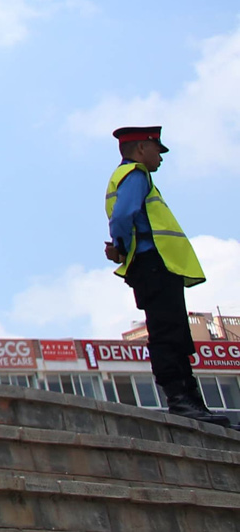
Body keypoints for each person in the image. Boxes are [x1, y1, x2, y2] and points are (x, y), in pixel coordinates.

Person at [105, 125, 218, 422]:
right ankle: (181, 400)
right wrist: (120, 246)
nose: (161, 157)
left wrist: (121, 248)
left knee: (176, 333)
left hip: (156, 266)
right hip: (154, 265)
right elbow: (122, 217)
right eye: (157, 150)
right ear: (142, 148)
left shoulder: (131, 177)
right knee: (168, 333)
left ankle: (193, 402)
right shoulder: (135, 175)